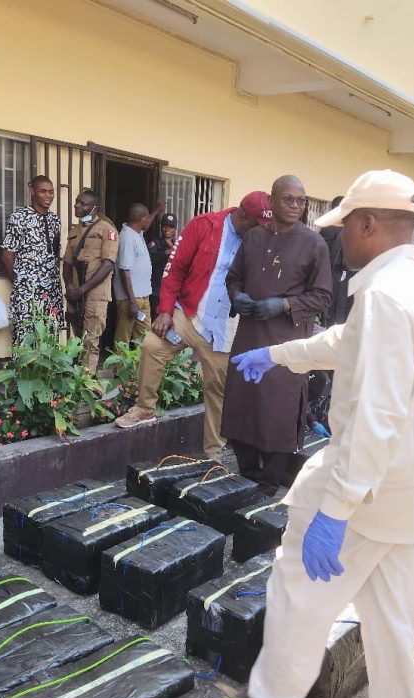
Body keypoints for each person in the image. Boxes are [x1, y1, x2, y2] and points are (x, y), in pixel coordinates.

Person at [230, 170, 414, 698]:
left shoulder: (384, 296)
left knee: (298, 594)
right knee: (391, 619)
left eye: (345, 227)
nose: (340, 240)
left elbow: (377, 417)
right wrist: (276, 354)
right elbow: (344, 343)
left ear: (368, 224)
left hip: (372, 487)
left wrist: (336, 509)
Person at [114, 191, 273, 460]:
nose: (262, 231)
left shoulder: (260, 241)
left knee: (218, 390)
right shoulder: (204, 225)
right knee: (153, 346)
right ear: (243, 214)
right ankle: (145, 408)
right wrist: (165, 310)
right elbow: (174, 268)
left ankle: (213, 455)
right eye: (258, 224)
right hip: (190, 315)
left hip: (224, 328)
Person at [222, 175, 332, 496]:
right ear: (271, 201)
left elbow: (322, 296)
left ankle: (269, 482)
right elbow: (234, 277)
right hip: (250, 333)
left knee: (278, 409)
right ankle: (247, 474)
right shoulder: (254, 237)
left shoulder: (314, 244)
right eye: (288, 199)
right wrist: (237, 296)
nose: (296, 205)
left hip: (288, 340)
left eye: (301, 200)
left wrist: (284, 304)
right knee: (242, 403)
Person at [1, 176, 62, 346]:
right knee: (25, 336)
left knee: (49, 336)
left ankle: (47, 365)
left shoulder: (55, 220)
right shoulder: (19, 217)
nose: (48, 196)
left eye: (51, 192)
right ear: (32, 191)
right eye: (43, 191)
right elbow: (6, 254)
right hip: (27, 289)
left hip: (51, 290)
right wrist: (20, 281)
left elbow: (55, 253)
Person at [62, 190, 119, 371]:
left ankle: (87, 380)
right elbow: (67, 263)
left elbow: (108, 265)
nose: (77, 206)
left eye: (83, 204)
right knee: (77, 339)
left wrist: (82, 290)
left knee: (91, 340)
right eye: (77, 202)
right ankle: (76, 376)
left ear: (95, 208)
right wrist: (70, 287)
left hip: (95, 295)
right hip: (75, 294)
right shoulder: (75, 231)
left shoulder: (107, 230)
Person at [113, 203, 153, 346]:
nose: (149, 220)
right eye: (148, 217)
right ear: (142, 219)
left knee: (144, 336)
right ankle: (119, 361)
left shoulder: (137, 233)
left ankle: (142, 361)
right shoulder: (127, 238)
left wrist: (156, 210)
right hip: (130, 299)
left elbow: (146, 225)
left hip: (142, 296)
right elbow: (125, 271)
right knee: (123, 336)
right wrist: (132, 302)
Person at [320, 195, 355, 325]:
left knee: (334, 310)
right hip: (343, 274)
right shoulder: (349, 228)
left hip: (335, 274)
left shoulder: (328, 227)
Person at [147, 212, 177, 319]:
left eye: (171, 227)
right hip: (156, 290)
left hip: (170, 291)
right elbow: (149, 261)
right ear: (161, 227)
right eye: (165, 226)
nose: (167, 229)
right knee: (156, 319)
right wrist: (165, 253)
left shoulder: (176, 244)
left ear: (175, 229)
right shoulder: (155, 243)